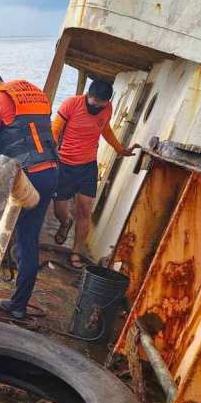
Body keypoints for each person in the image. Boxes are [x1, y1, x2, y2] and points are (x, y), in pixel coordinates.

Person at [0, 62, 59, 320]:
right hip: (51, 171)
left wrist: (1, 145)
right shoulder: (33, 93)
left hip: (28, 177)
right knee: (28, 239)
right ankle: (18, 302)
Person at [51, 79, 141, 268]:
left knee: (85, 210)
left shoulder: (107, 108)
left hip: (87, 166)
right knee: (59, 209)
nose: (97, 108)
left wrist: (120, 149)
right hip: (64, 164)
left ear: (107, 102)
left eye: (101, 105)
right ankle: (65, 223)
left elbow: (105, 129)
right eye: (94, 104)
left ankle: (76, 252)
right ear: (88, 95)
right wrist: (49, 155)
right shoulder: (71, 104)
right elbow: (55, 130)